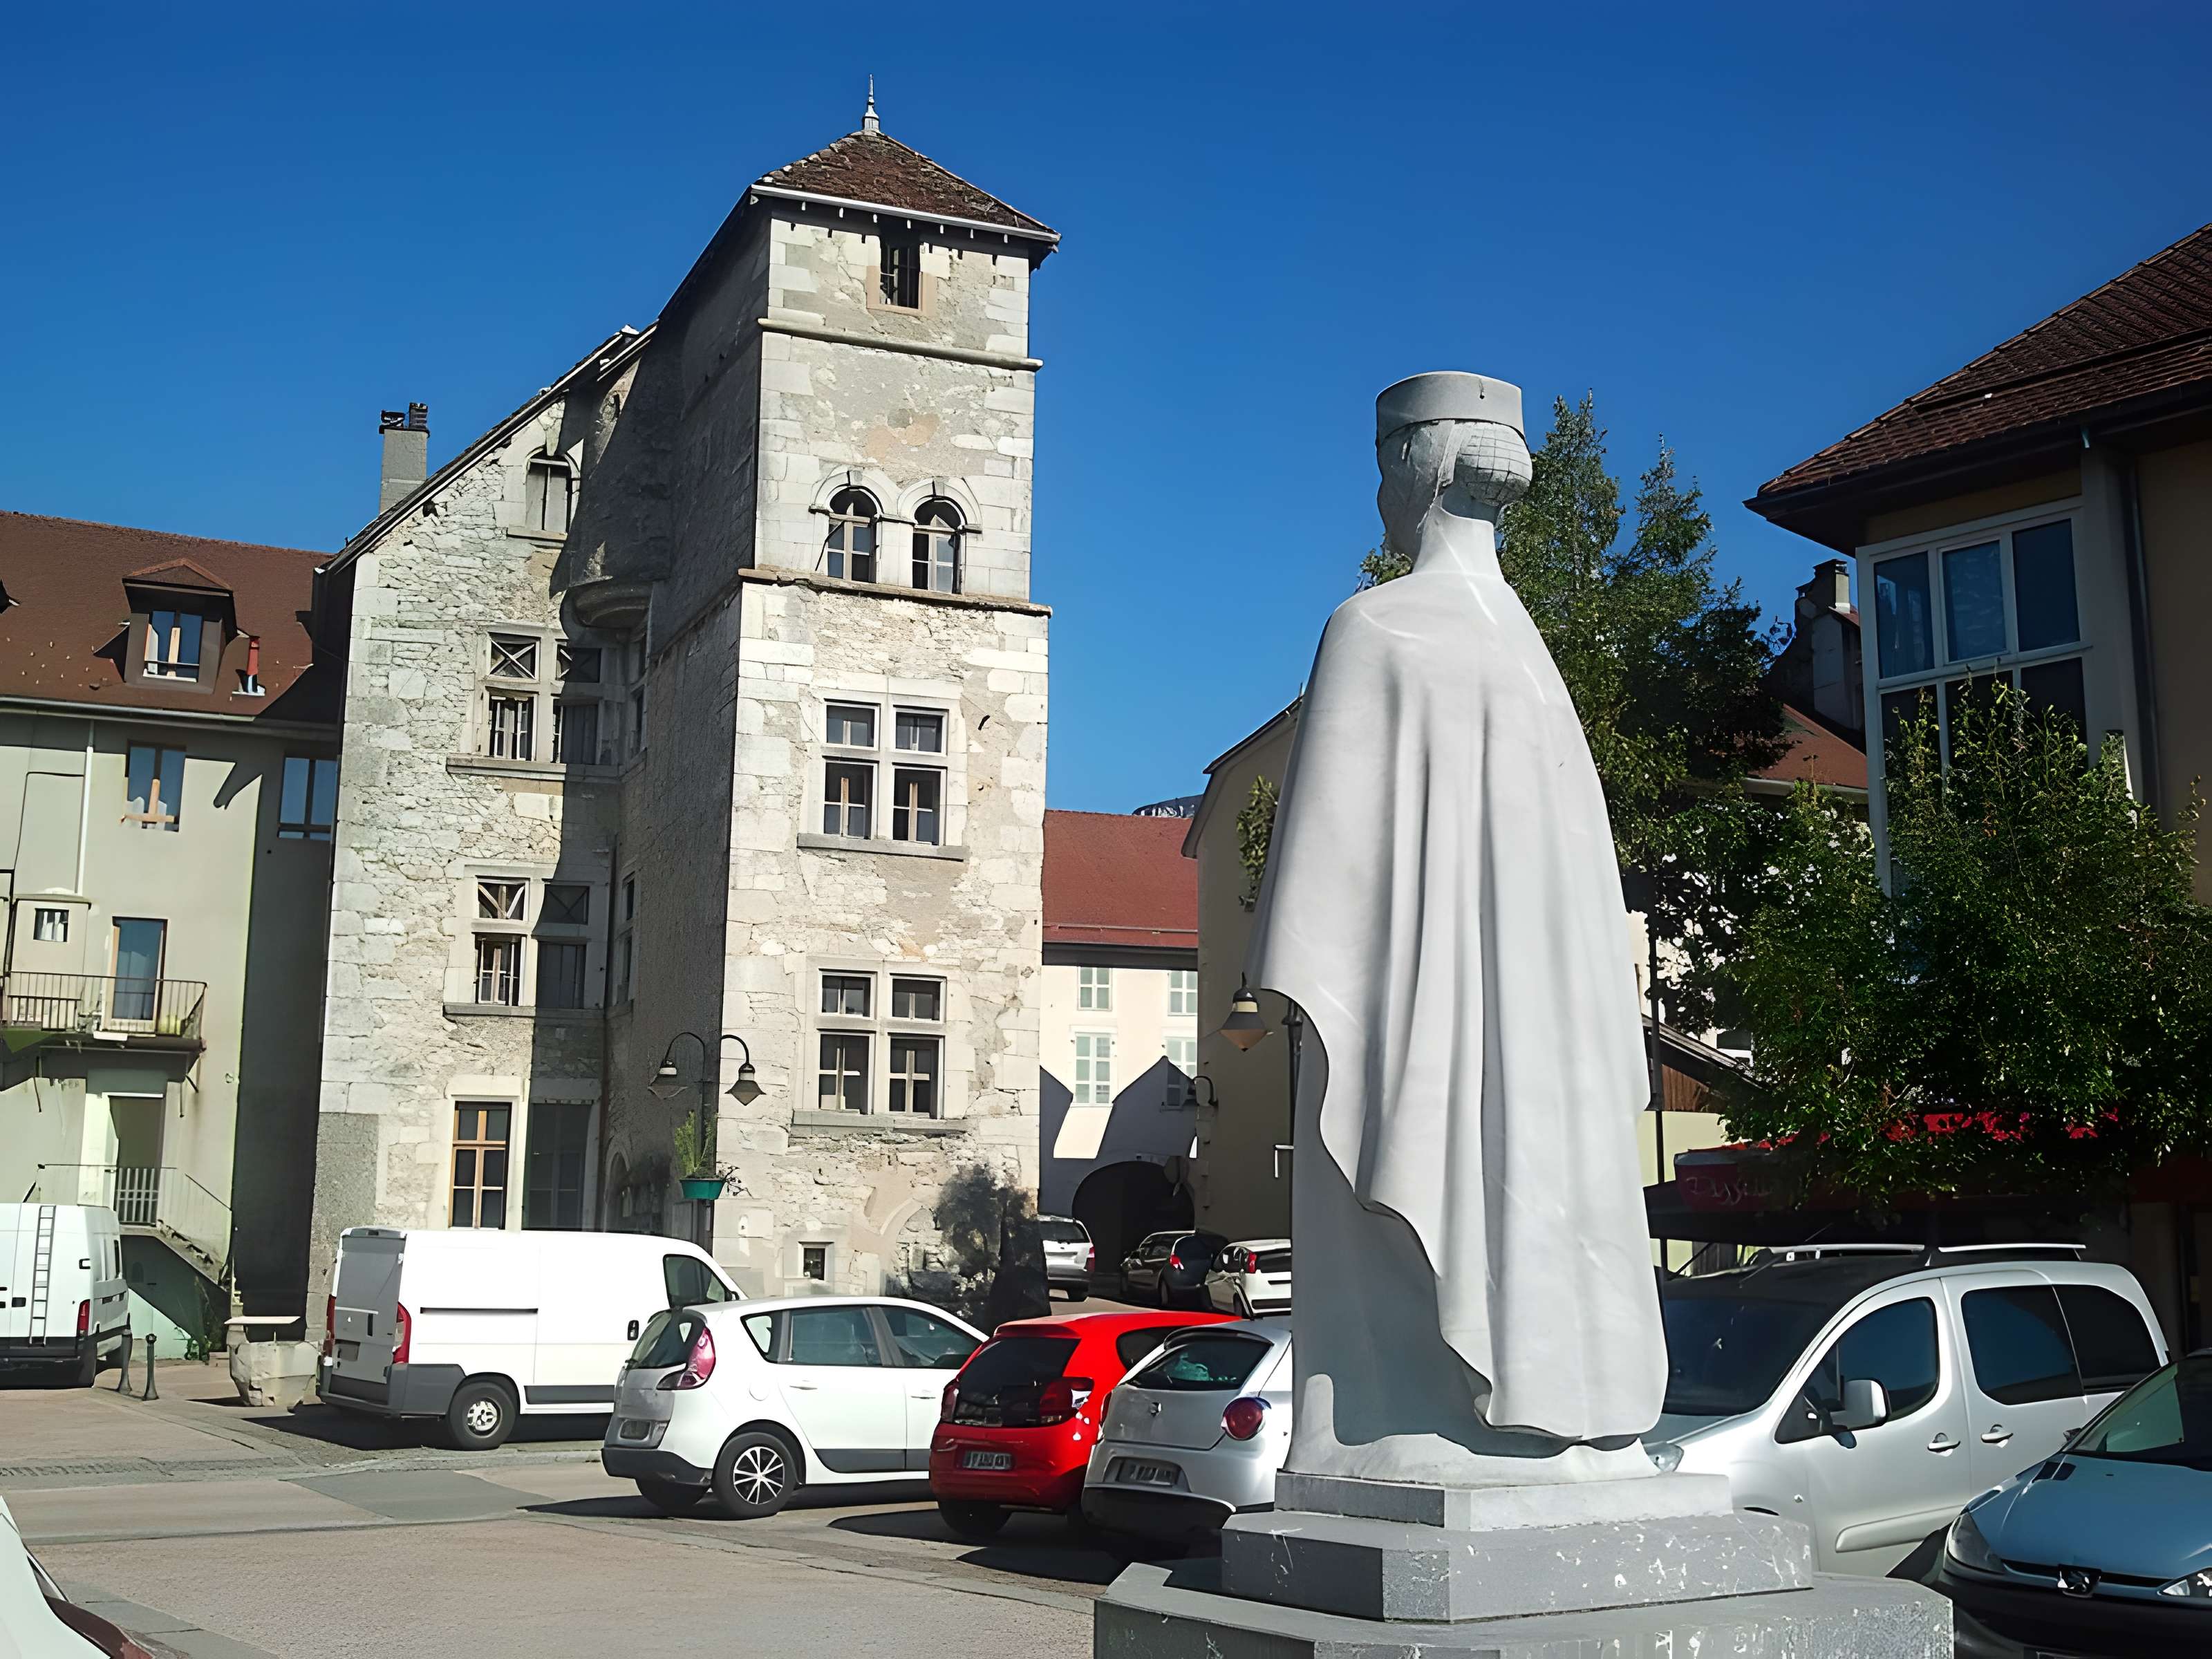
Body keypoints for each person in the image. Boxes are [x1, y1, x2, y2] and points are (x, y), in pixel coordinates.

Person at [1246, 372, 1665, 1487]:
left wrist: (1293, 990)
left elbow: (1325, 900)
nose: (1378, 495)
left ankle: (1393, 1427)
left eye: (1385, 466)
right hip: (1542, 1046)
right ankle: (1570, 1414)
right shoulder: (1533, 661)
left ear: (1418, 468)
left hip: (1427, 1029)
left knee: (1368, 1173)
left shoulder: (1373, 627)